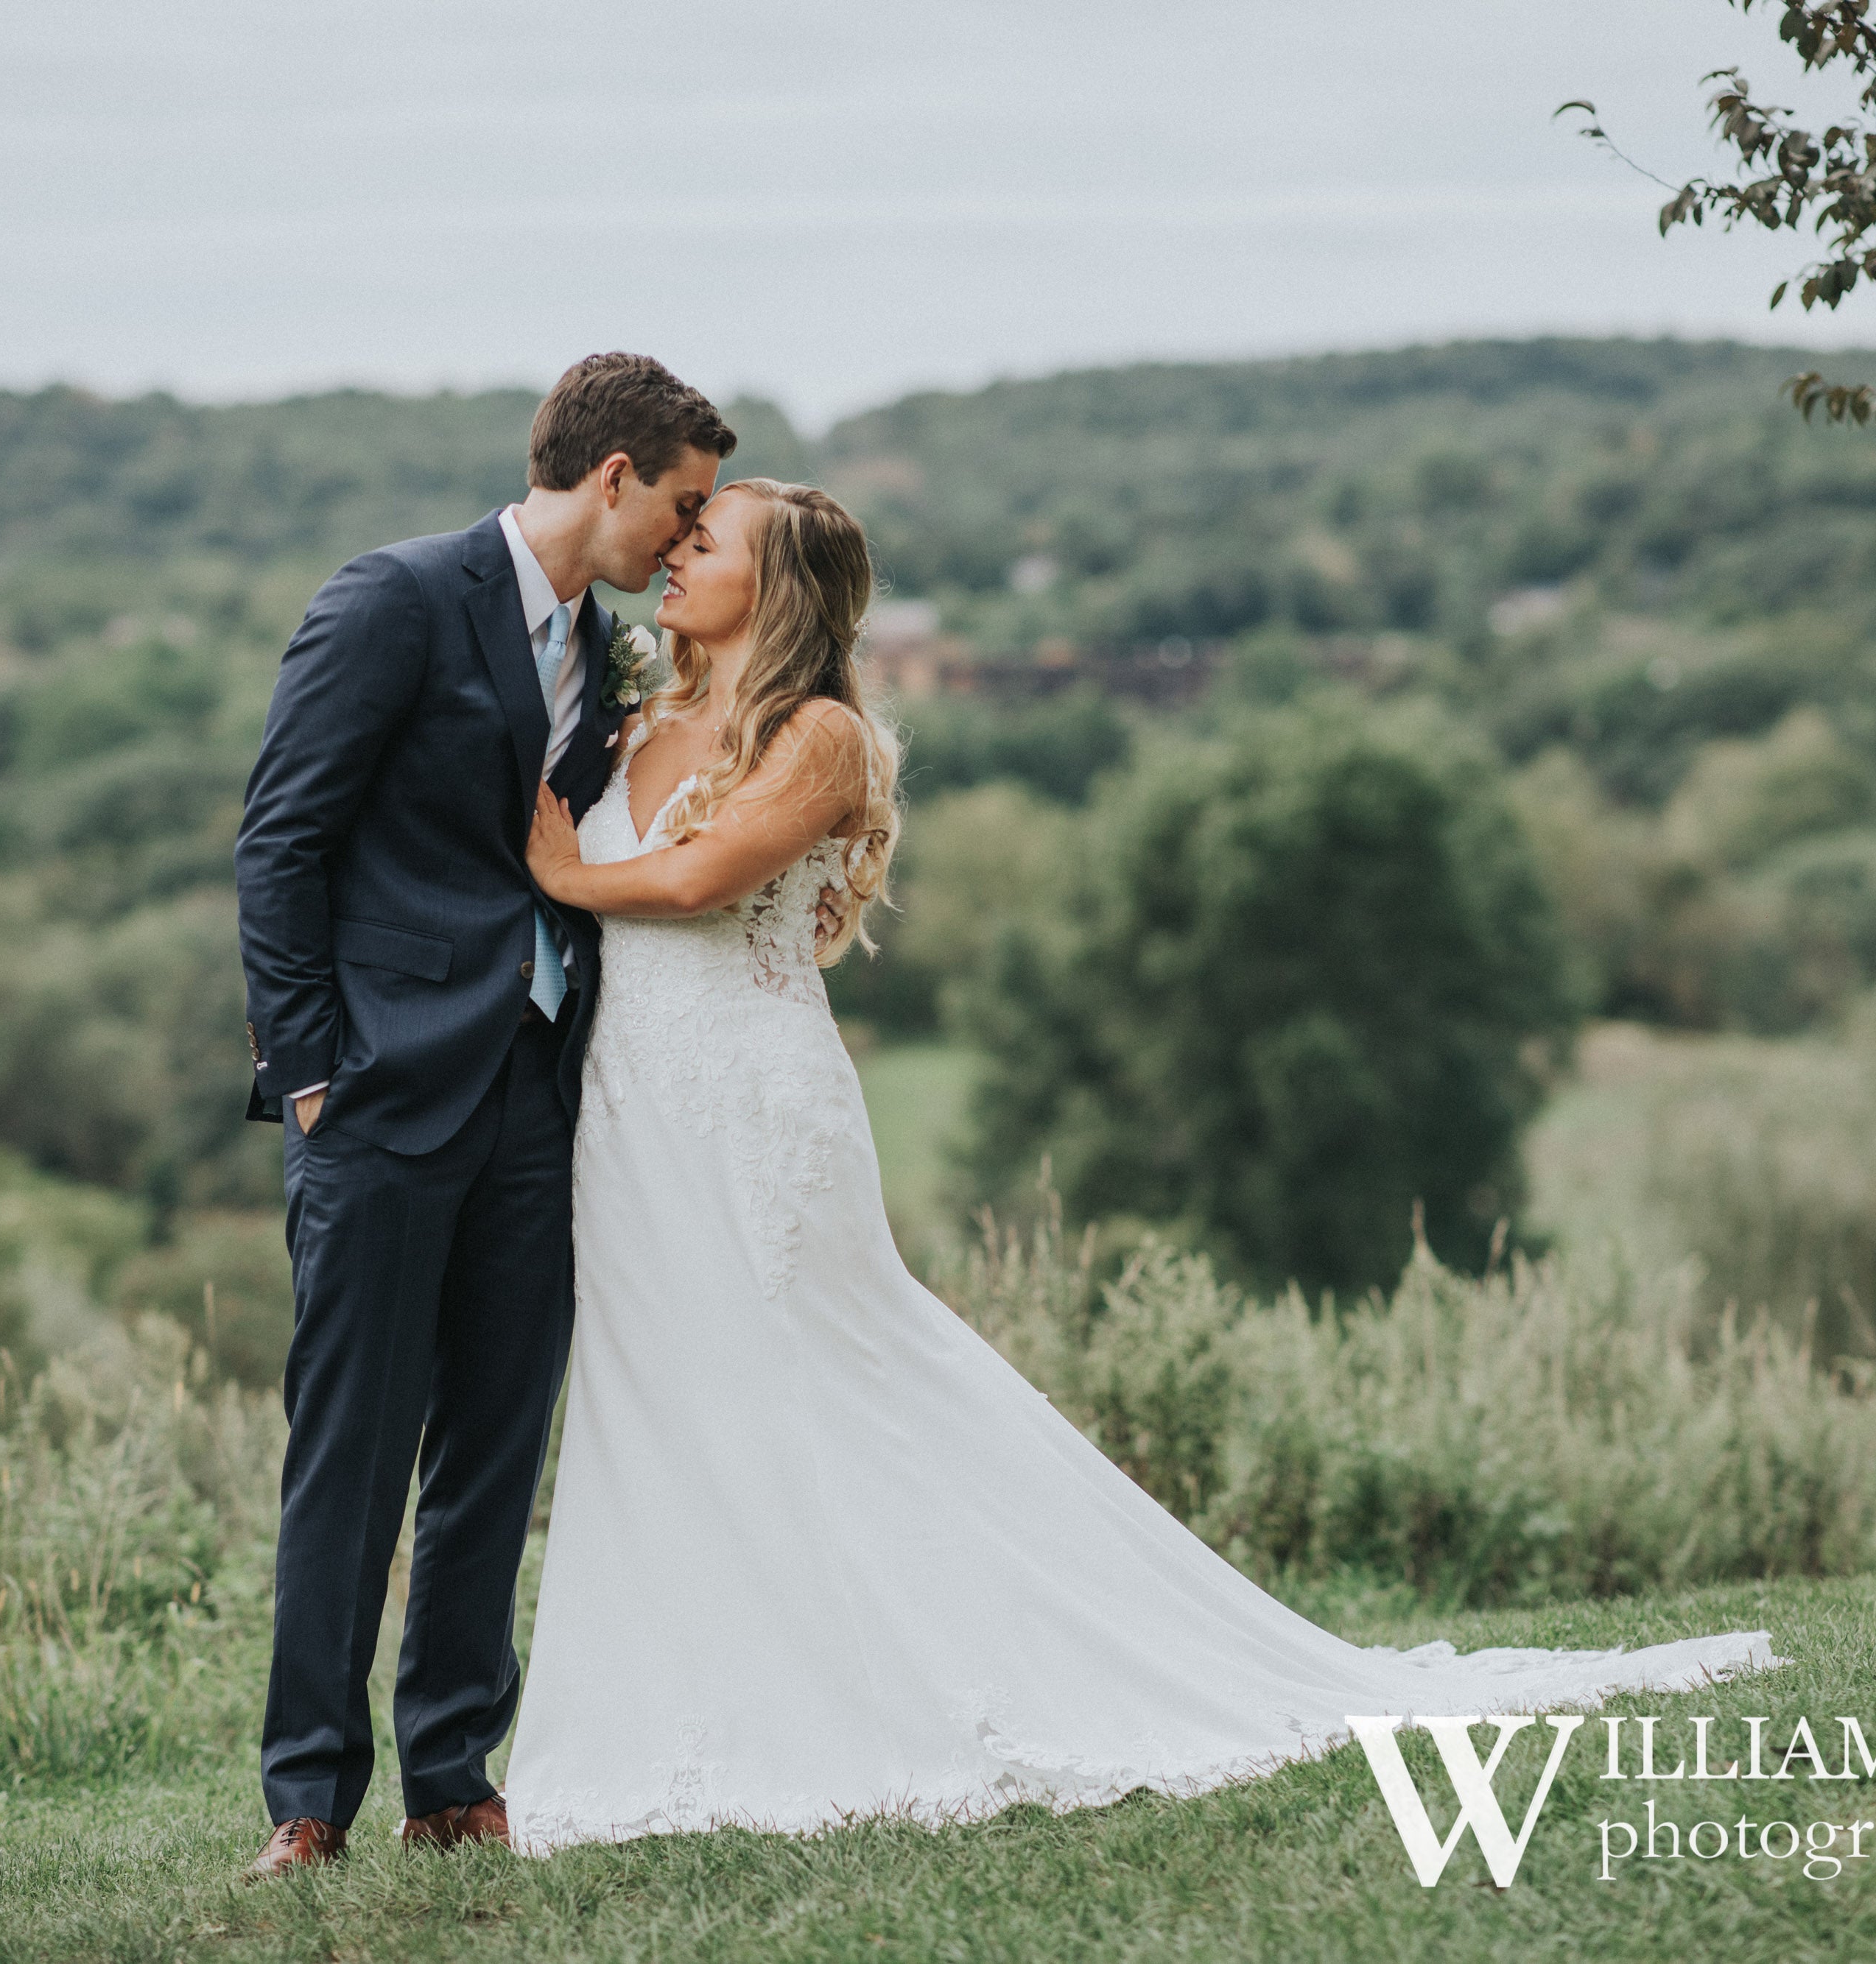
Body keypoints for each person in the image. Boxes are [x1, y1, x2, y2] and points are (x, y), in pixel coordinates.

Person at [504, 478, 1782, 1854]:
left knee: (828, 1378)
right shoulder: (638, 718)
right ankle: (710, 1699)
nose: (677, 551)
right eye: (683, 533)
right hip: (630, 1119)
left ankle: (952, 1668)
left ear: (779, 587)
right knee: (672, 1392)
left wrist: (562, 874)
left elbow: (698, 882)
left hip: (754, 1113)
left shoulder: (819, 734)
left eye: (709, 541)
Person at [230, 352, 734, 1880]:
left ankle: (452, 1773)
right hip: (380, 1094)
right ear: (612, 476)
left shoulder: (606, 642)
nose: (690, 537)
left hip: (537, 1091)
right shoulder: (393, 600)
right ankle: (308, 1798)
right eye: (684, 504)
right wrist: (311, 1071)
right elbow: (281, 839)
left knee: (495, 1450)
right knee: (353, 1453)